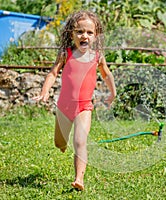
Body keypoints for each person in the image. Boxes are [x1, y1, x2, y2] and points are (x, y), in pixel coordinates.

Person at [33, 10, 116, 191]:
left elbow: (106, 74)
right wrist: (45, 91)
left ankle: (79, 179)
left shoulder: (97, 57)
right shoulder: (66, 54)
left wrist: (113, 92)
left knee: (80, 142)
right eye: (79, 31)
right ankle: (62, 145)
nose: (84, 35)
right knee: (59, 142)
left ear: (96, 36)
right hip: (64, 107)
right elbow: (53, 73)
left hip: (84, 107)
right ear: (71, 33)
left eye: (89, 32)